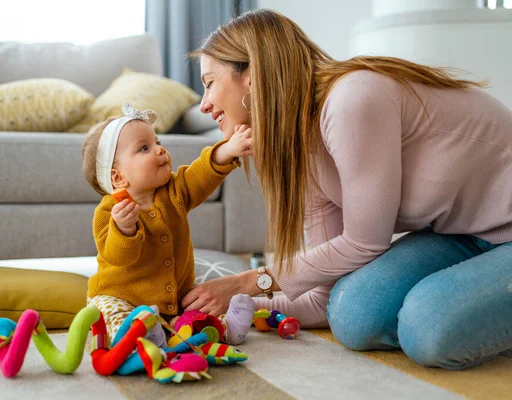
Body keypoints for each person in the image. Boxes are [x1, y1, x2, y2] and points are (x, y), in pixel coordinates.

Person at [180, 9, 512, 370]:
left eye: (209, 82)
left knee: (427, 327)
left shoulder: (351, 100)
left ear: (252, 75)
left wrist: (249, 282)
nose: (204, 103)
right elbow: (322, 297)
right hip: (459, 234)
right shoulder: (301, 148)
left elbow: (365, 242)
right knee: (352, 316)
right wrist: (239, 305)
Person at [80, 103, 255, 347]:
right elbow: (118, 258)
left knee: (198, 311)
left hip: (173, 299)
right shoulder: (109, 212)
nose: (160, 150)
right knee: (107, 315)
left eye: (157, 142)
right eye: (144, 148)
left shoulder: (174, 190)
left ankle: (226, 327)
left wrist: (227, 151)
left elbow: (200, 174)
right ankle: (141, 336)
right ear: (118, 177)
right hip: (120, 297)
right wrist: (124, 229)